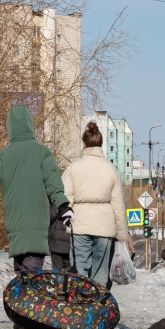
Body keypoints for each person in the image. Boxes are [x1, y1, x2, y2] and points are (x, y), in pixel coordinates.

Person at [0, 105, 72, 274]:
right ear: (30, 124)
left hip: (14, 223)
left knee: (22, 273)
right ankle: (27, 290)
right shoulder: (42, 152)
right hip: (37, 223)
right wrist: (64, 207)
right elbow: (54, 185)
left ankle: (24, 289)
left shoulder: (4, 155)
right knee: (31, 275)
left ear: (10, 127)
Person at [62, 122, 133, 286]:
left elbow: (65, 198)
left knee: (79, 266)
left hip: (80, 224)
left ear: (84, 144)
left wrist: (67, 221)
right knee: (100, 270)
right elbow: (118, 205)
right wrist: (122, 234)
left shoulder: (73, 168)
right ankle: (97, 299)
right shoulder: (111, 169)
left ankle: (80, 297)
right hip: (104, 226)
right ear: (101, 144)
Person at [48, 200, 72, 271]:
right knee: (68, 268)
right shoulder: (75, 202)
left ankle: (57, 278)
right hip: (69, 240)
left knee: (56, 269)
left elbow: (50, 216)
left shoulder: (58, 201)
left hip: (55, 242)